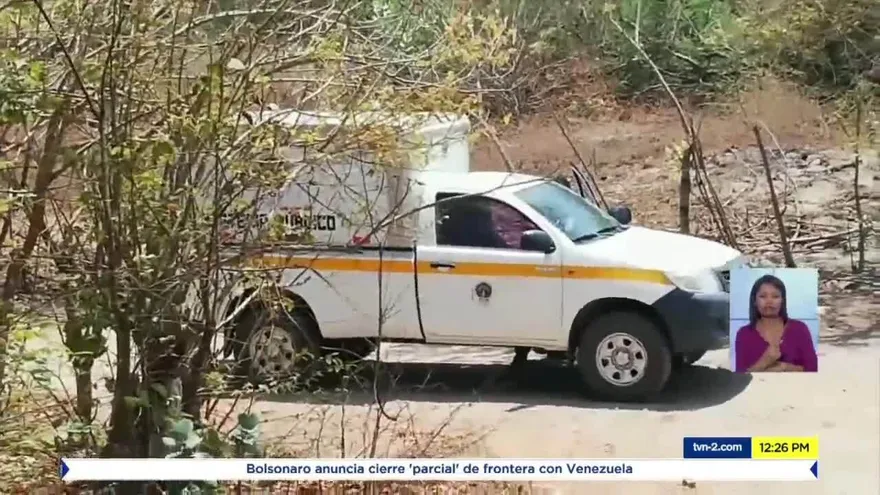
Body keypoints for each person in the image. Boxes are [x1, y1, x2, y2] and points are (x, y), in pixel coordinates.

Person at [734, 274, 818, 373]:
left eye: (775, 296)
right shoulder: (743, 334)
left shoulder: (800, 329)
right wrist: (764, 362)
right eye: (763, 296)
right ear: (754, 301)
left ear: (782, 301)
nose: (769, 301)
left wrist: (785, 367)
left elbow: (813, 369)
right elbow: (739, 377)